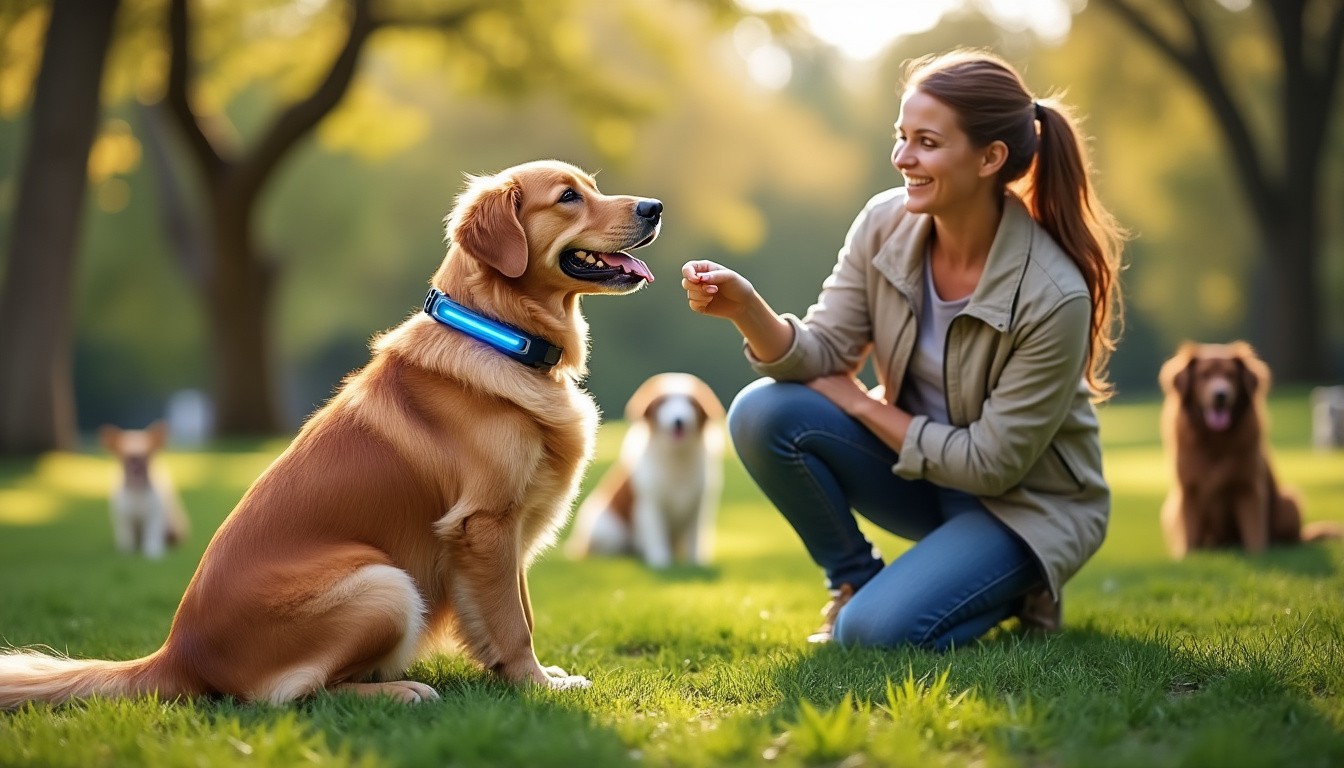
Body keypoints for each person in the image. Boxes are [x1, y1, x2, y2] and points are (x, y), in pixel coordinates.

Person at [680, 49, 1125, 650]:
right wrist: (747, 308)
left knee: (872, 635)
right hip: (920, 475)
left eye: (927, 142)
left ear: (990, 158)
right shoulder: (884, 223)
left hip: (1023, 508)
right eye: (901, 136)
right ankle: (855, 581)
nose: (902, 158)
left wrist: (861, 405)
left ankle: (1018, 584)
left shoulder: (1053, 294)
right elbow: (825, 351)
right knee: (763, 411)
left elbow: (991, 465)